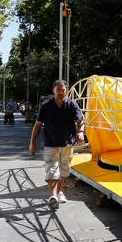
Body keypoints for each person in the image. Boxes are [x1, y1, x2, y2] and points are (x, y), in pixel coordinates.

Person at [29, 80, 84, 211]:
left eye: (63, 90)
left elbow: (80, 121)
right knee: (52, 171)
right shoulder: (46, 105)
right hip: (51, 144)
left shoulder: (71, 105)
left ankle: (59, 192)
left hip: (67, 144)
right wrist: (32, 143)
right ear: (53, 91)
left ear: (66, 91)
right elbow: (37, 125)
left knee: (64, 171)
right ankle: (53, 196)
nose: (60, 92)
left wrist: (81, 132)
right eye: (58, 90)